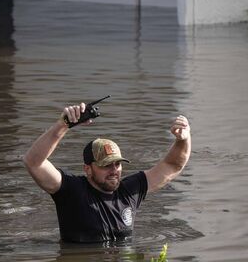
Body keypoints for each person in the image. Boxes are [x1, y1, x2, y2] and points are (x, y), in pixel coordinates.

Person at [23, 102, 191, 243]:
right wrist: (63, 125)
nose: (114, 170)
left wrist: (183, 139)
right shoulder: (71, 191)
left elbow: (172, 165)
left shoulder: (130, 191)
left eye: (117, 164)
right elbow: (33, 162)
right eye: (106, 165)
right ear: (87, 169)